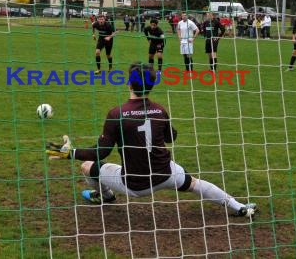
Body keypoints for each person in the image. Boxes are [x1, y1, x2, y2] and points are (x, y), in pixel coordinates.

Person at [45, 62, 257, 218]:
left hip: (134, 184)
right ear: (152, 85)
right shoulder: (159, 109)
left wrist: (70, 152)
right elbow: (171, 137)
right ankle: (238, 207)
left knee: (87, 166)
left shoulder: (117, 113)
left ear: (129, 83)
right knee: (194, 183)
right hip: (165, 173)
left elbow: (101, 152)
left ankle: (106, 196)